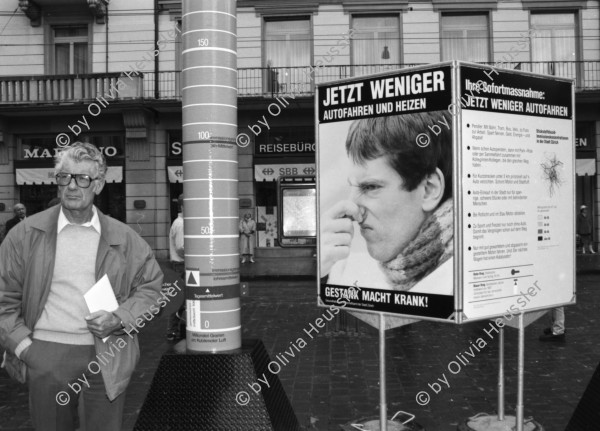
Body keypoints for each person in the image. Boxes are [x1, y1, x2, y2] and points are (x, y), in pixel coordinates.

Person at [0, 142, 163, 431]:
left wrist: (120, 318)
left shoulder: (124, 238)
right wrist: (25, 348)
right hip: (45, 354)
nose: (72, 186)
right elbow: (3, 298)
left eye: (83, 179)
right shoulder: (25, 234)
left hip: (107, 355)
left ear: (98, 184)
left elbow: (152, 288)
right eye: (65, 177)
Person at [320, 111, 453, 293]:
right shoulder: (342, 270)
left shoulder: (462, 284)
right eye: (352, 186)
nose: (352, 208)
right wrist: (319, 274)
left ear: (429, 189)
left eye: (370, 187)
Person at [167, 193, 185, 341]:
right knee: (180, 299)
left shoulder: (179, 222)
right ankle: (172, 331)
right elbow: (181, 248)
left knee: (180, 299)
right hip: (181, 264)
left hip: (179, 264)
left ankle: (174, 330)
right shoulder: (181, 224)